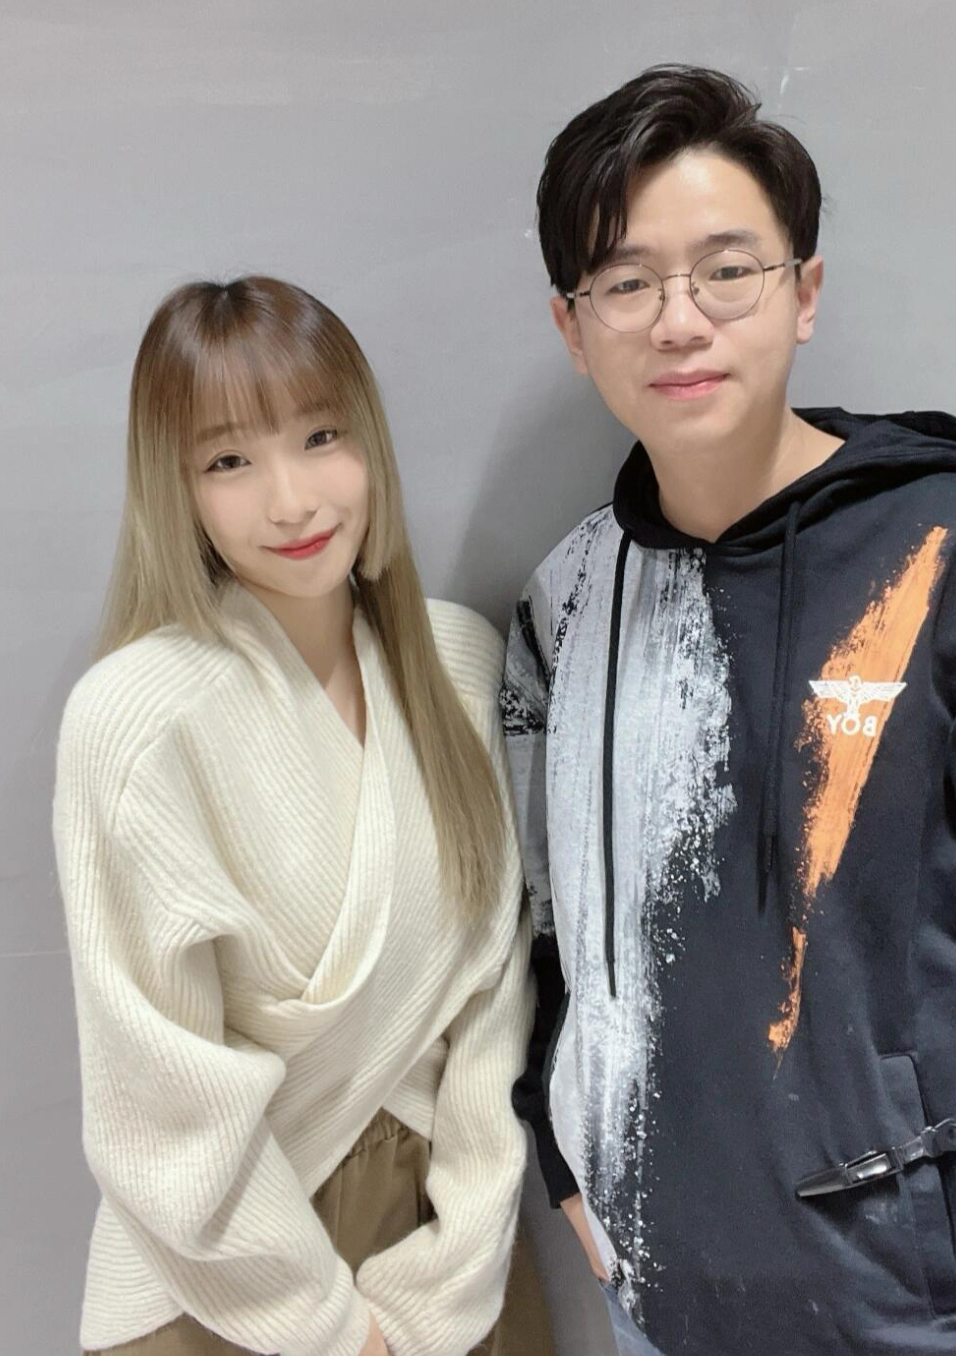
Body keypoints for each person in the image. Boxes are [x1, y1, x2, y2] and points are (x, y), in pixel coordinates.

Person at [501, 65, 956, 1356]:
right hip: (656, 1314)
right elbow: (541, 932)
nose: (678, 321)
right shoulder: (568, 597)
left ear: (804, 292)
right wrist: (562, 1148)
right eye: (625, 284)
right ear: (572, 327)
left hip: (930, 1328)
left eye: (726, 271)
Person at [53, 277, 554, 1356]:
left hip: (454, 1256)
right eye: (228, 461)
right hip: (228, 1272)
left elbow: (494, 1009)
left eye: (322, 437)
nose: (290, 501)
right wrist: (334, 1331)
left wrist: (450, 1277)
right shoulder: (134, 719)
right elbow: (162, 1095)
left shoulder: (460, 664)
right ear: (175, 486)